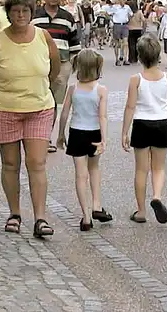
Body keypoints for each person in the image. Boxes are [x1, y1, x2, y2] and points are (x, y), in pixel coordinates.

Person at [0, 0, 60, 238]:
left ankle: (40, 218)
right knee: (11, 163)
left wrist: (38, 88)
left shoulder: (44, 37)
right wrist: (3, 92)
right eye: (15, 11)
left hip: (39, 108)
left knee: (37, 162)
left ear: (31, 12)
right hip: (4, 109)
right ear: (8, 13)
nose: (20, 15)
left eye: (25, 11)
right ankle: (14, 213)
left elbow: (54, 70)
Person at [57, 49, 113, 232]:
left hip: (76, 133)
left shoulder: (73, 89)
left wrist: (60, 134)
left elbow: (64, 113)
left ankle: (86, 216)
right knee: (94, 168)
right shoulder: (101, 90)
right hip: (94, 132)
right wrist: (104, 139)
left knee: (80, 175)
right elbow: (102, 116)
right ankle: (97, 204)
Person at [121, 35, 167, 224]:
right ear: (158, 55)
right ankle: (157, 196)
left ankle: (141, 211)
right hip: (161, 122)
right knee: (158, 167)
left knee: (141, 170)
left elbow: (130, 106)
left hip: (142, 123)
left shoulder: (136, 79)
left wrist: (124, 132)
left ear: (140, 56)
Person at [31, 0, 78, 153]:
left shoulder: (67, 17)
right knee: (37, 100)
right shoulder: (34, 16)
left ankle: (47, 137)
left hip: (62, 65)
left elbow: (75, 44)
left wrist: (72, 65)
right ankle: (36, 136)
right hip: (37, 64)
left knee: (53, 103)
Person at [110, 0, 133, 66]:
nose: (123, 1)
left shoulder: (127, 7)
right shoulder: (115, 7)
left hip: (125, 25)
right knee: (117, 43)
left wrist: (128, 20)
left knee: (125, 42)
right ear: (119, 0)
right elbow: (108, 14)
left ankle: (125, 59)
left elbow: (131, 14)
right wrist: (113, 20)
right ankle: (117, 59)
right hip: (117, 25)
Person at [127, 0, 146, 64]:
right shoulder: (139, 12)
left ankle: (131, 58)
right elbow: (144, 20)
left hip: (130, 29)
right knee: (137, 44)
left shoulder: (129, 12)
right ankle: (136, 57)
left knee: (131, 44)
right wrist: (143, 28)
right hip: (138, 29)